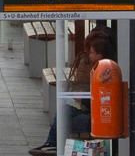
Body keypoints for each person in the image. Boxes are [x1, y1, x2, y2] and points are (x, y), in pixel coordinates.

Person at [31, 26, 114, 156]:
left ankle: (53, 144)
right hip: (89, 109)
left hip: (99, 117)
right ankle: (53, 143)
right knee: (64, 111)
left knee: (64, 116)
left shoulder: (104, 70)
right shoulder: (95, 65)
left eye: (92, 52)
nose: (89, 55)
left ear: (100, 54)